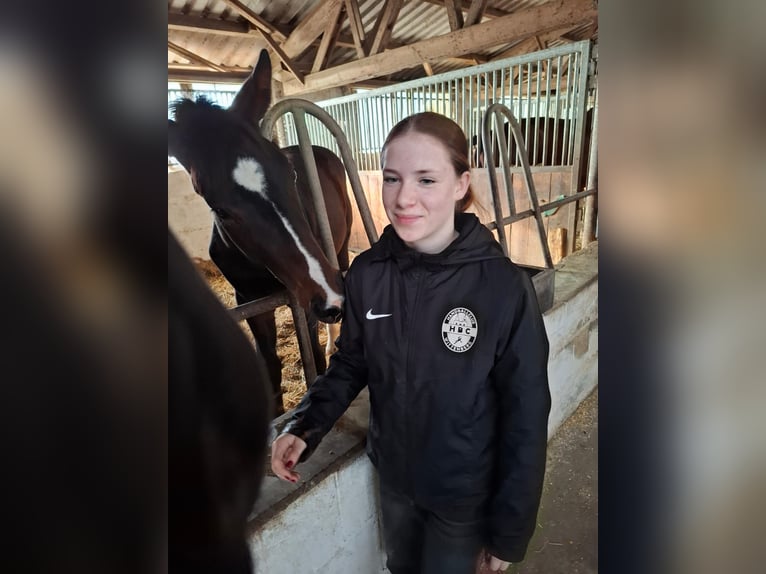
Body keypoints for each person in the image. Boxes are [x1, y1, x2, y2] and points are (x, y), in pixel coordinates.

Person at [271, 112, 551, 574]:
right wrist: (303, 425)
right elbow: (350, 363)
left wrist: (509, 532)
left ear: (461, 183)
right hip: (395, 481)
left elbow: (525, 414)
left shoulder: (501, 288)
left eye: (426, 179)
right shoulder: (368, 274)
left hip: (464, 495)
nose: (404, 198)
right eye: (392, 178)